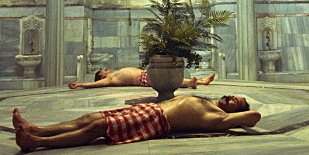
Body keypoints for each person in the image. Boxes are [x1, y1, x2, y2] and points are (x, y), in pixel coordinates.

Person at [13, 94, 260, 151]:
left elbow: (255, 117)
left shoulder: (219, 118)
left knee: (98, 129)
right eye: (232, 95)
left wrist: (238, 114)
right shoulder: (207, 101)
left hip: (156, 120)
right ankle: (36, 129)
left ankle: (34, 142)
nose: (229, 97)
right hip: (148, 109)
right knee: (91, 118)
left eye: (235, 101)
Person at [68, 66, 215, 91]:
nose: (108, 70)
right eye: (104, 70)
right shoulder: (109, 80)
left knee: (168, 77)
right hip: (142, 79)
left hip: (144, 73)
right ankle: (190, 83)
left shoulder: (112, 75)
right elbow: (96, 85)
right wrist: (80, 84)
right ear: (101, 75)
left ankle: (202, 81)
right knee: (168, 81)